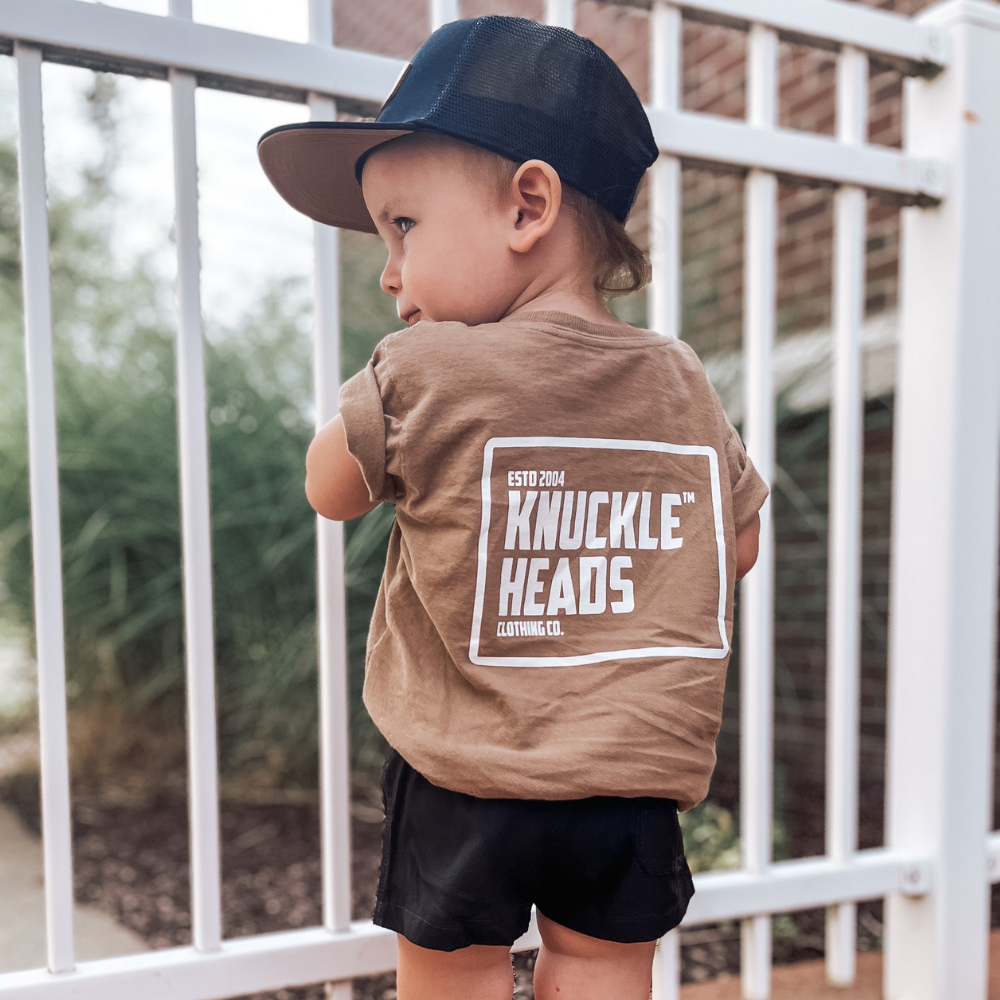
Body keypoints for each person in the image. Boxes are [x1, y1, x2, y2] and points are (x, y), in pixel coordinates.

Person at [258, 15, 767, 1000]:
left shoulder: (427, 367)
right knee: (602, 966)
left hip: (466, 773)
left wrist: (381, 392)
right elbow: (735, 544)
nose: (388, 270)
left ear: (528, 205)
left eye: (403, 226)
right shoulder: (680, 377)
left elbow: (329, 488)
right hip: (626, 779)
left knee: (454, 972)